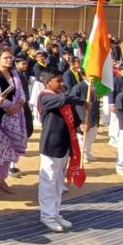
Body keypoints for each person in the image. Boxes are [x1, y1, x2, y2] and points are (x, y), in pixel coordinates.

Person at [37, 71, 87, 233]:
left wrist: (81, 125)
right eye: (58, 81)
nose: (62, 84)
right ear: (48, 83)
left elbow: (74, 118)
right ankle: (47, 215)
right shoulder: (45, 97)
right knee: (49, 181)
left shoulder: (63, 97)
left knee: (59, 182)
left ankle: (55, 212)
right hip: (51, 145)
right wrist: (82, 100)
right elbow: (64, 99)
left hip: (65, 144)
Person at [0, 49, 28, 195]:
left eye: (10, 57)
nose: (9, 60)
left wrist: (18, 106)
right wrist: (10, 107)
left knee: (9, 150)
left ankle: (1, 180)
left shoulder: (15, 74)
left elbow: (22, 94)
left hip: (15, 117)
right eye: (5, 58)